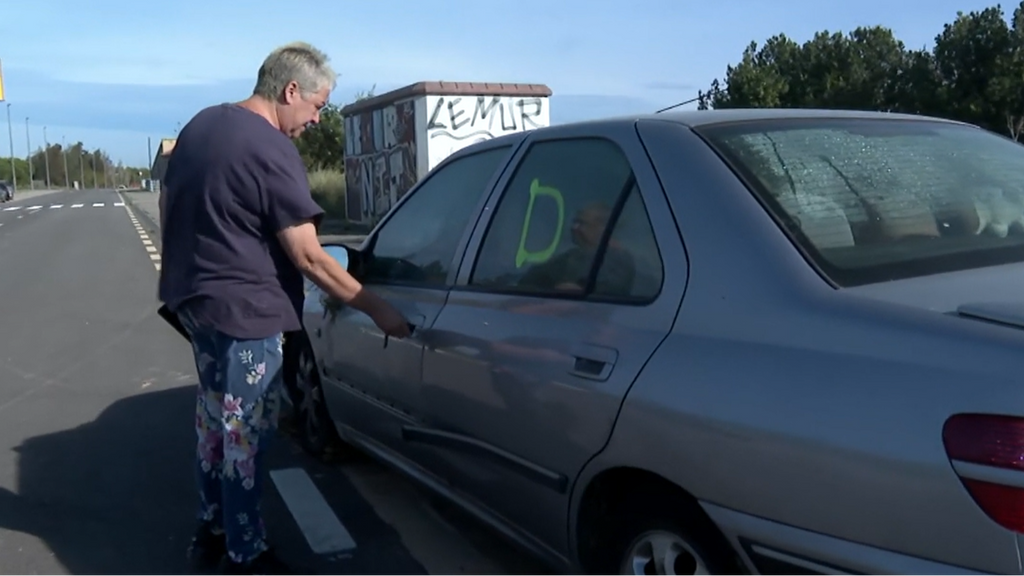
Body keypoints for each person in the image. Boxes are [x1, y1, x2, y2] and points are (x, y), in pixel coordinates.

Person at [158, 42, 411, 576]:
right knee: (245, 435)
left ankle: (211, 530)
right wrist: (377, 309)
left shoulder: (202, 127)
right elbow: (310, 257)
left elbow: (170, 204)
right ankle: (245, 556)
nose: (318, 119)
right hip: (248, 315)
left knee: (213, 425)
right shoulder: (270, 149)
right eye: (318, 106)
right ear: (289, 91)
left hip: (195, 304)